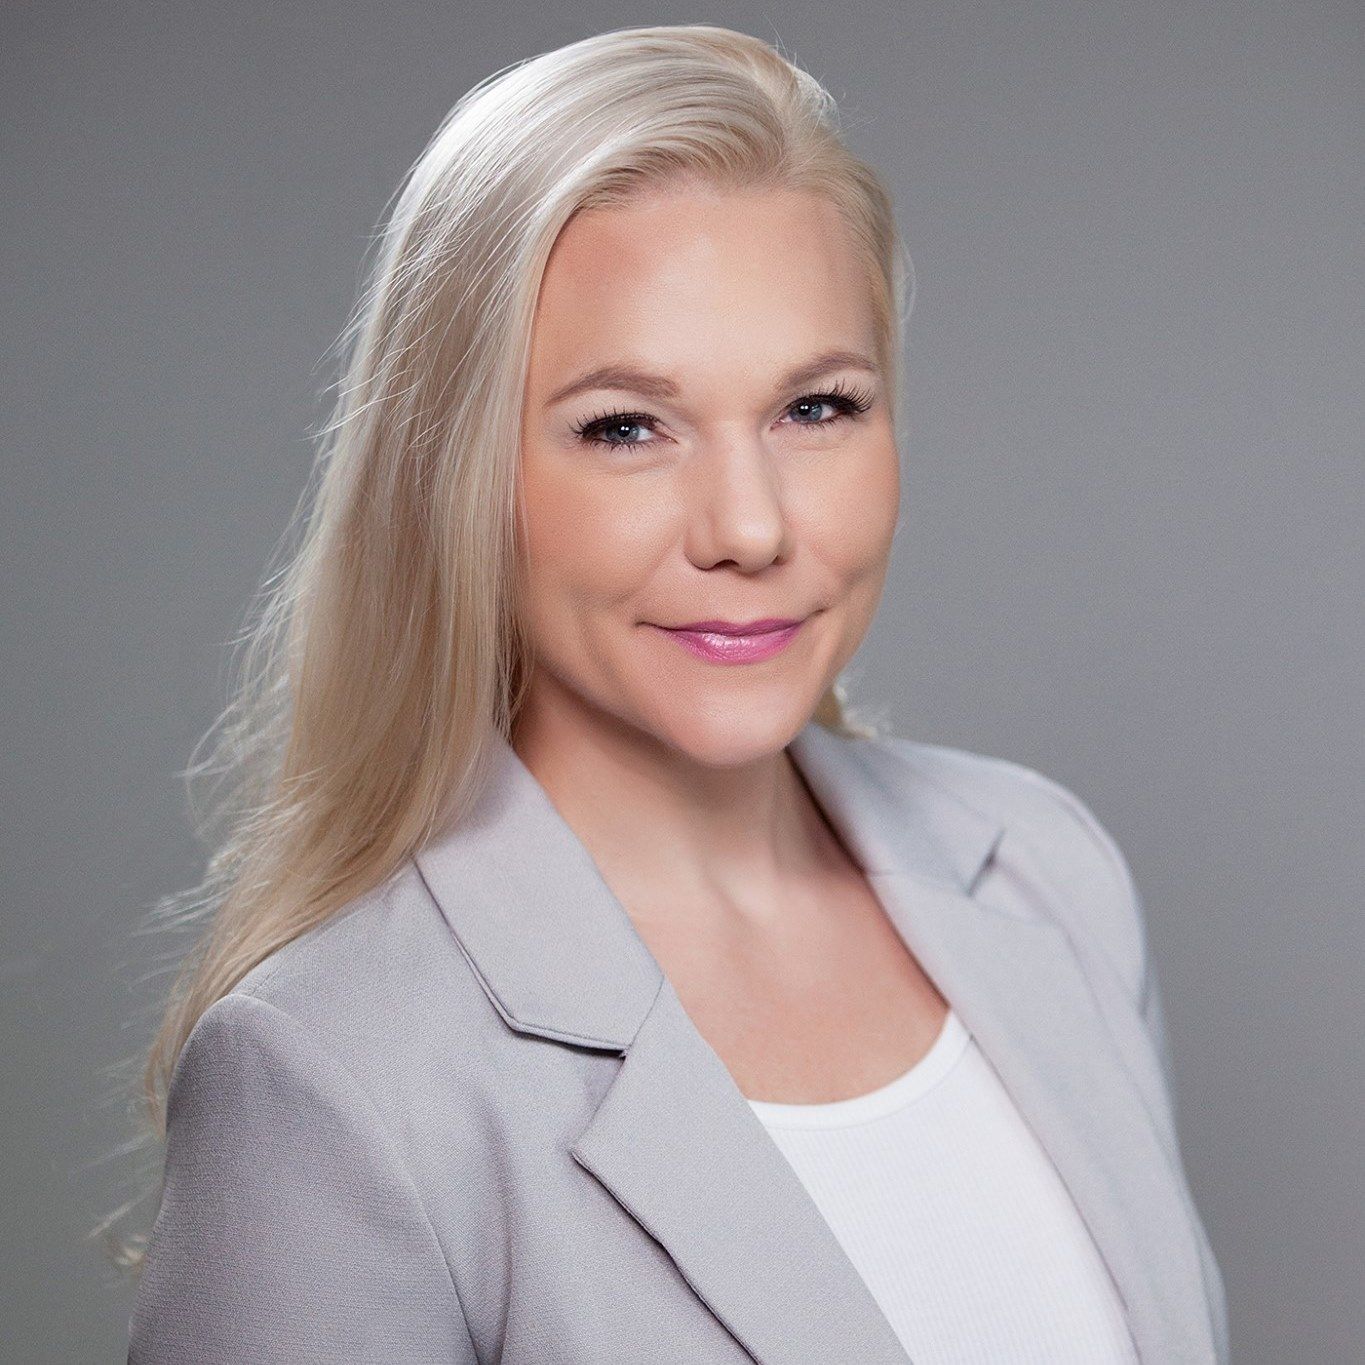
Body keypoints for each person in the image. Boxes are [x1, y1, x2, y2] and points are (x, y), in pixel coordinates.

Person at [123, 23, 1228, 1364]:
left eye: (814, 407)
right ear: (459, 473)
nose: (748, 527)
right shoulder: (333, 1069)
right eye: (624, 426)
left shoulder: (1046, 876)